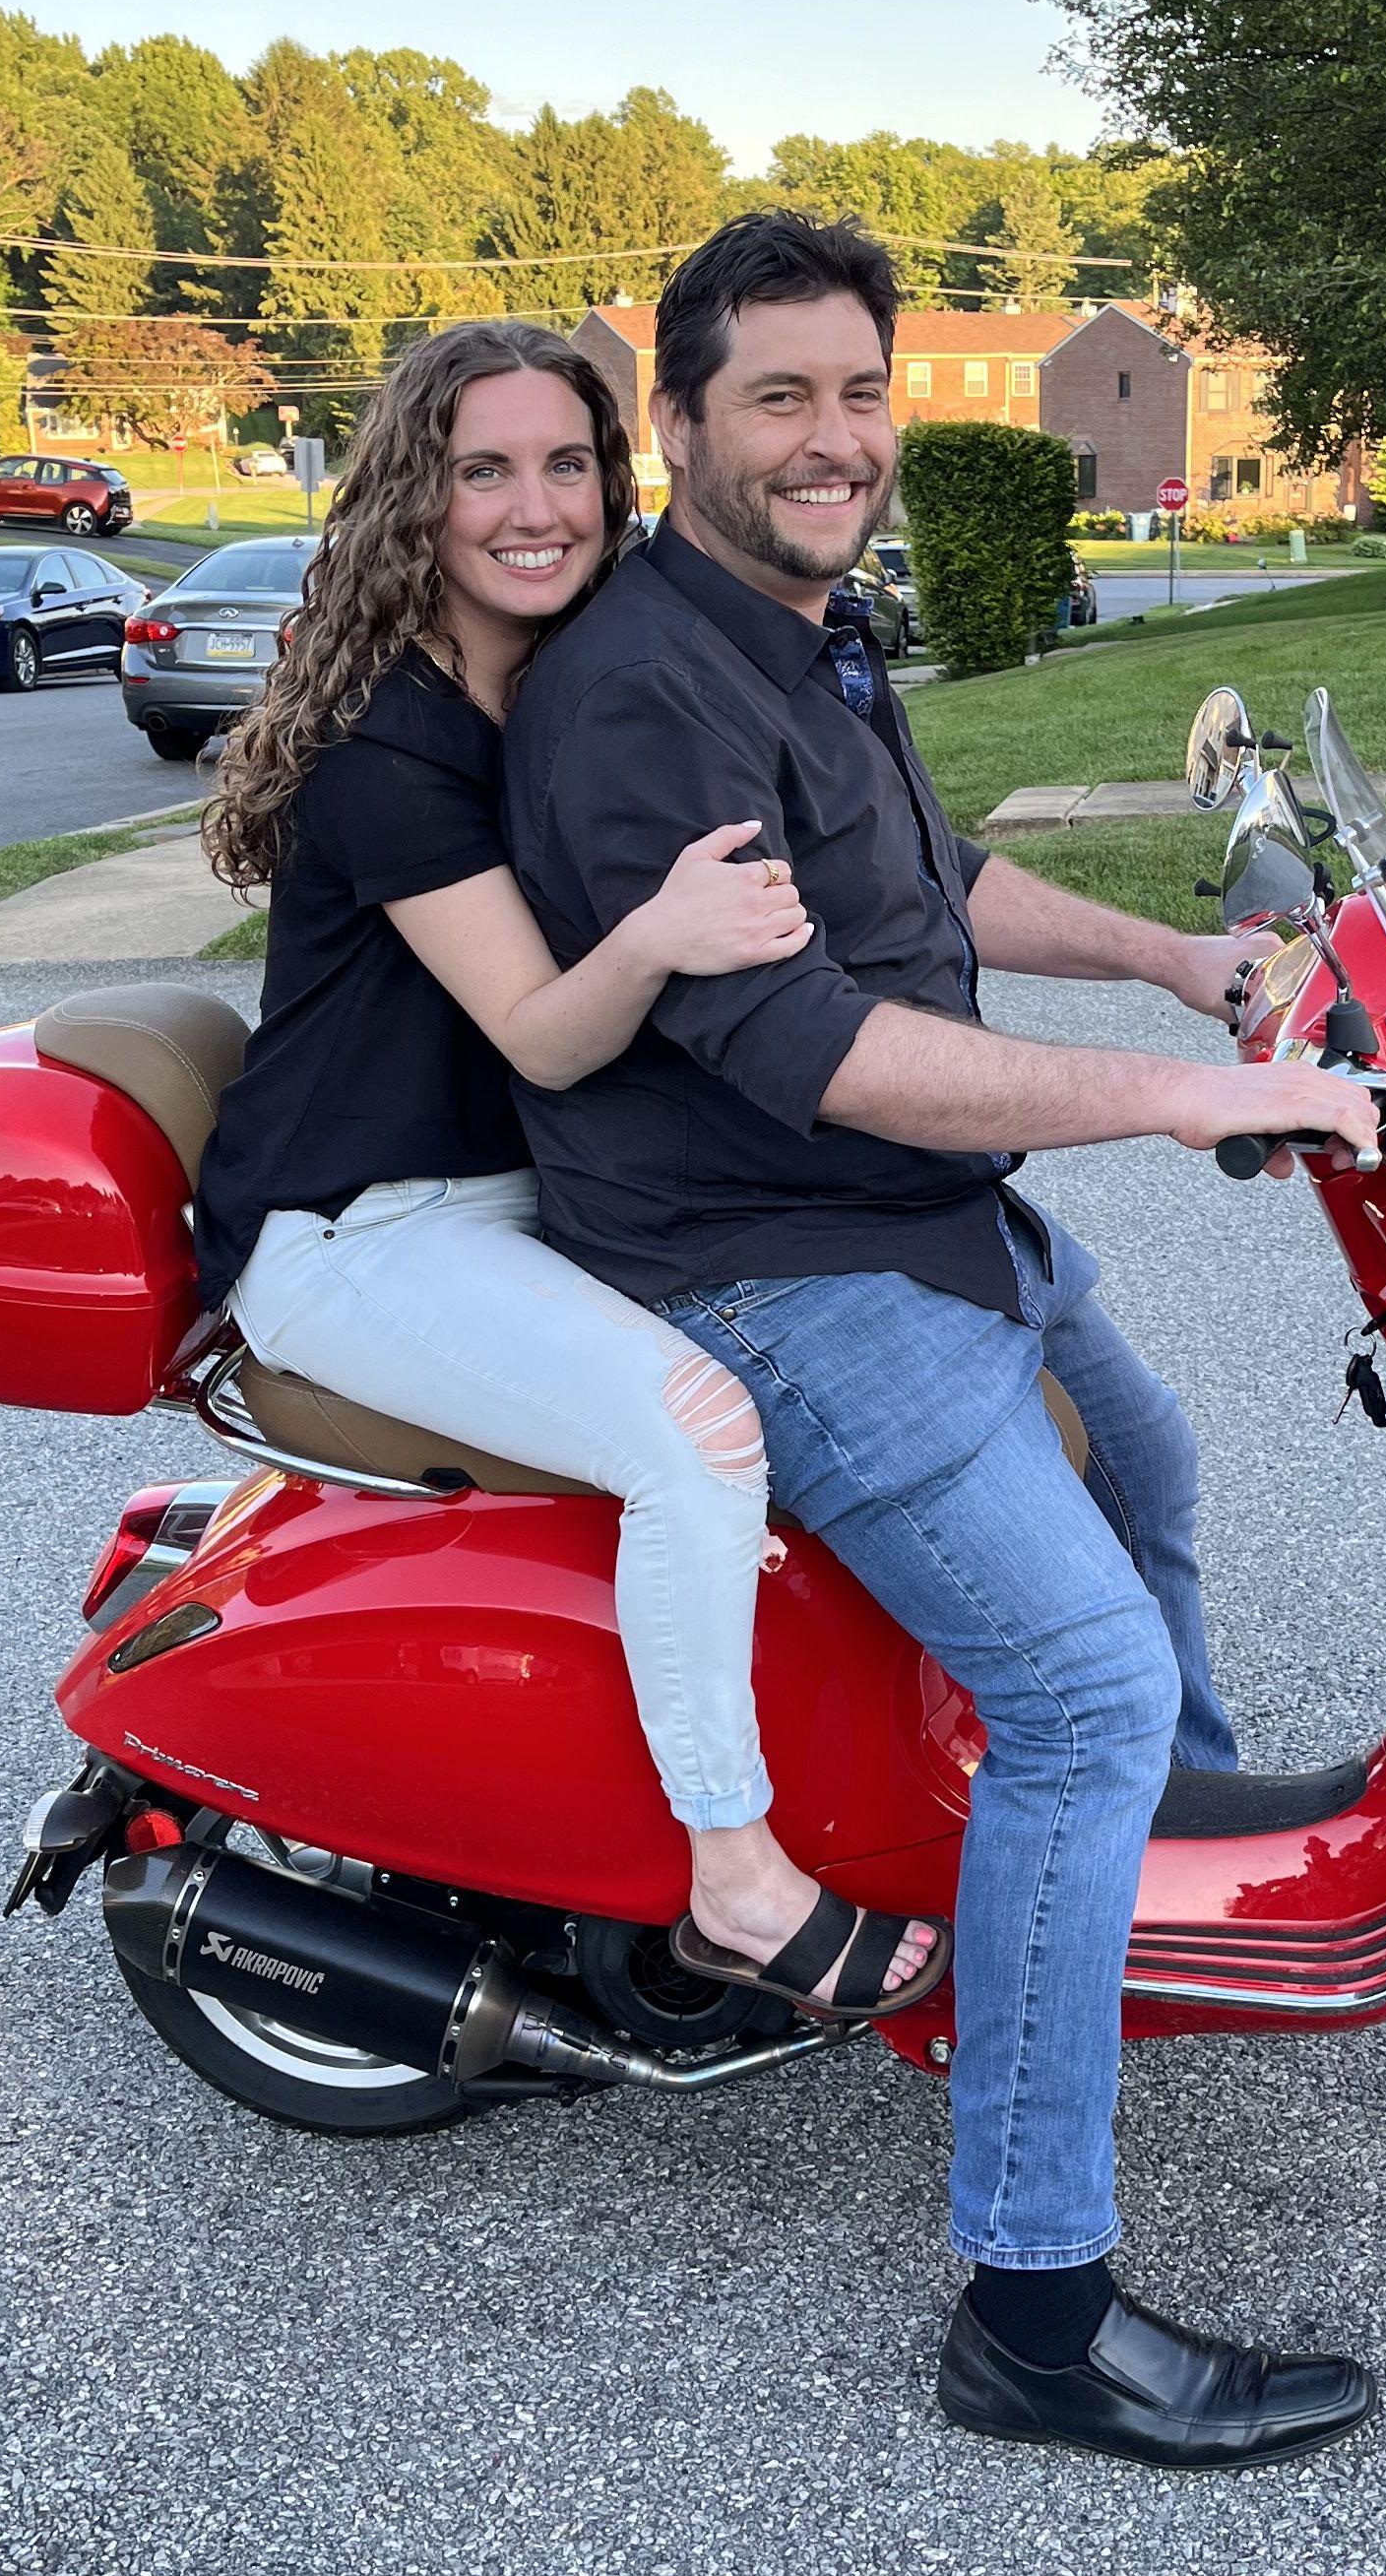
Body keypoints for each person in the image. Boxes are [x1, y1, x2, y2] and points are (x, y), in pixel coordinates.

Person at [502, 211, 1386, 2471]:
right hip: (775, 1266)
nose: (833, 438)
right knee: (1080, 1685)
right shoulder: (638, 689)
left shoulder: (809, 634)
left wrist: (1188, 971)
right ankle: (1031, 2304)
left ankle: (1114, 1909)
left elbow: (939, 886)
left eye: (858, 393)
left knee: (1153, 1463)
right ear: (677, 421)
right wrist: (1209, 1097)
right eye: (776, 398)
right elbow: (822, 1048)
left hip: (922, 1225)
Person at [193, 320, 947, 2021]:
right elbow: (541, 1032)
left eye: (569, 465)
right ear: (417, 500)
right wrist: (673, 930)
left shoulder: (556, 686)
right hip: (357, 1231)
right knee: (703, 1434)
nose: (537, 506)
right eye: (486, 471)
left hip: (517, 1203)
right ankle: (738, 1880)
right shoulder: (390, 743)